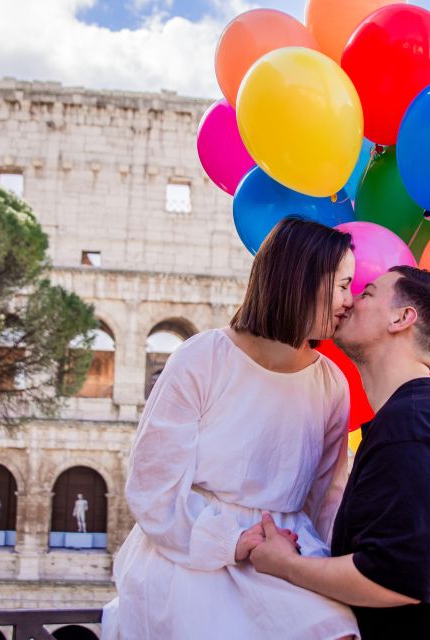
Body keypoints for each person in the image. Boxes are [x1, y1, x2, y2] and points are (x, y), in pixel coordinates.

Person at [102, 218, 359, 639]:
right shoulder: (201, 358)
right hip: (190, 549)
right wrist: (234, 541)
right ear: (301, 279)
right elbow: (153, 485)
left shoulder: (331, 383)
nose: (349, 301)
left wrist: (323, 564)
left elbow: (326, 498)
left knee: (335, 628)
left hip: (285, 551)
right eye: (343, 284)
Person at [250, 266, 430, 639]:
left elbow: (394, 579)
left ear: (402, 318)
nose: (351, 301)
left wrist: (285, 565)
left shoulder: (414, 425)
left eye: (368, 293)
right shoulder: (416, 417)